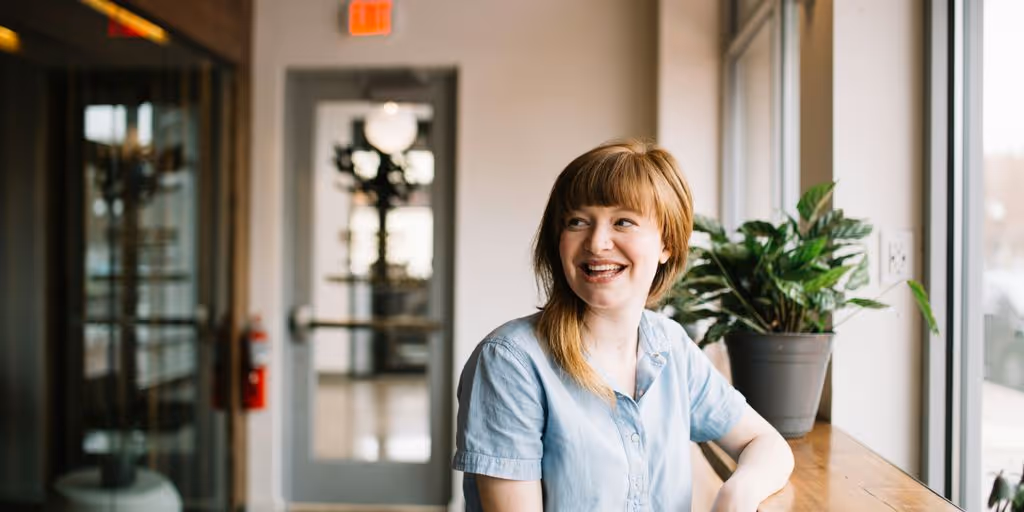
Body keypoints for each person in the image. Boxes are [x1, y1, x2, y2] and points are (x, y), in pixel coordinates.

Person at [452, 139, 794, 511]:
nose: (597, 243)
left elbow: (765, 442)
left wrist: (736, 493)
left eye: (623, 221)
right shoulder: (510, 361)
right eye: (577, 221)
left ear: (667, 243)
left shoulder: (669, 344)